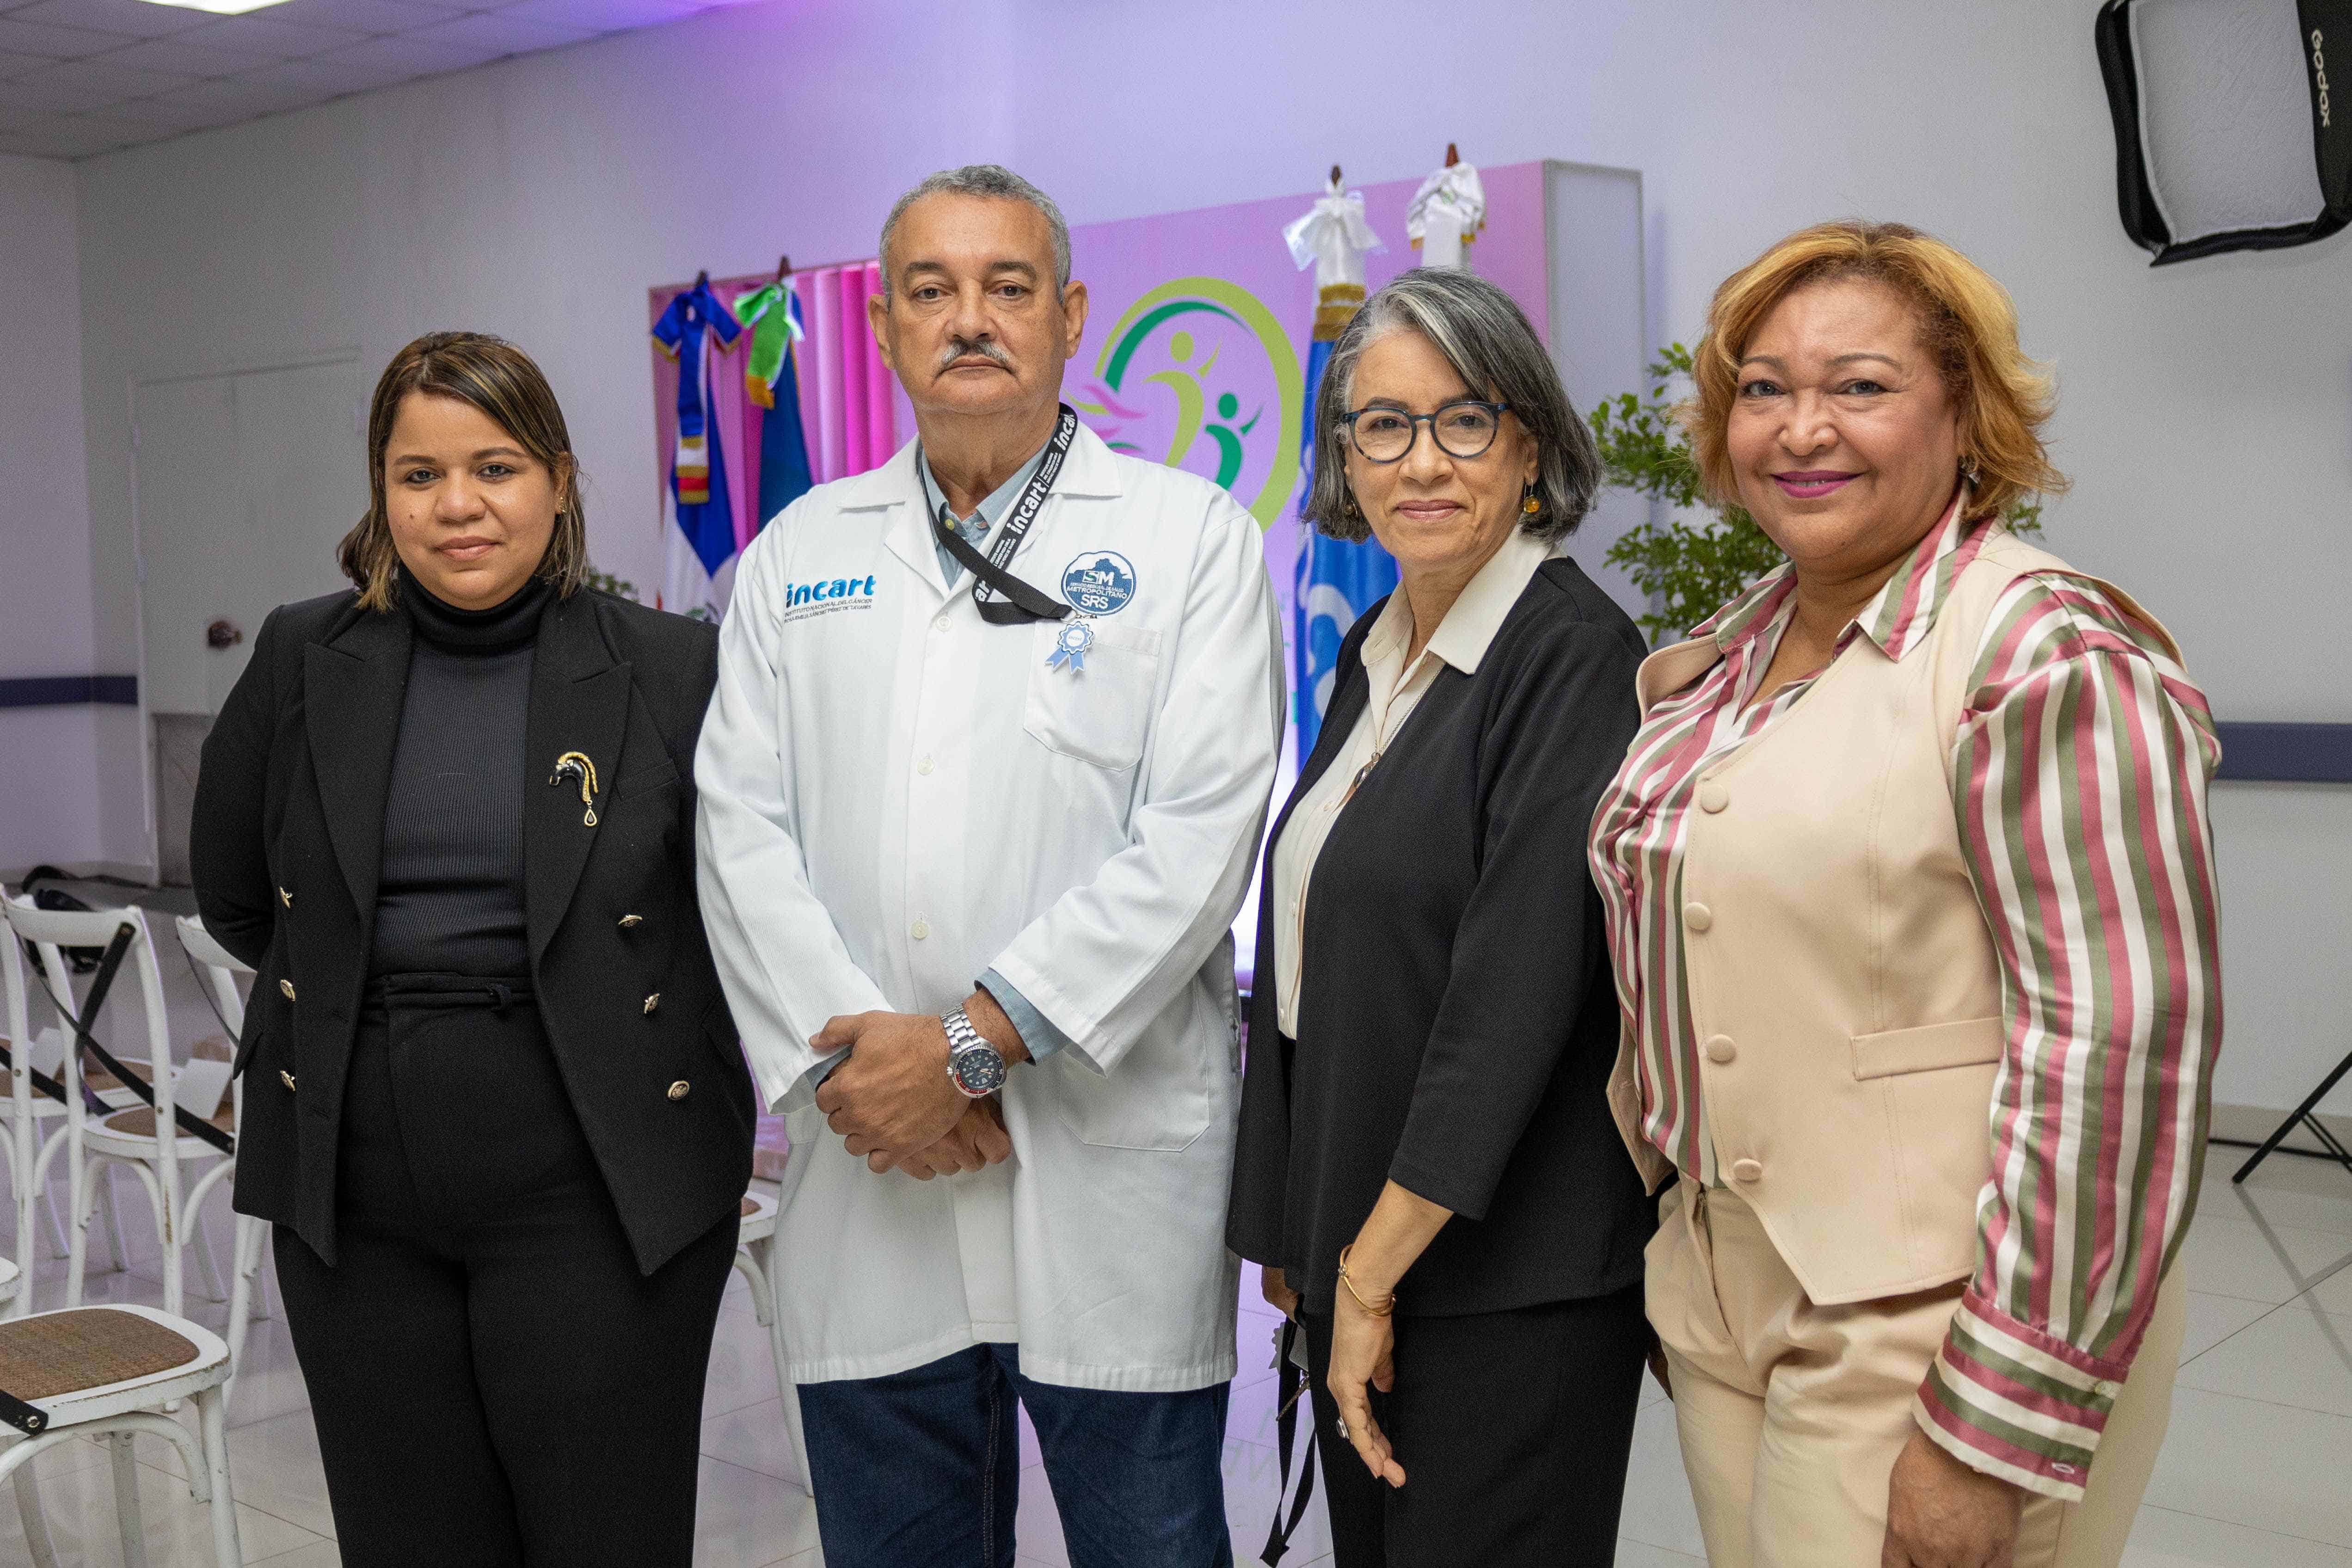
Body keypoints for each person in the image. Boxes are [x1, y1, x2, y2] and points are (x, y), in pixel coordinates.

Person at [1588, 221, 2221, 1568]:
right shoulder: (1731, 654)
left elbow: (2115, 1057)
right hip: (1726, 1286)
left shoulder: (2044, 652)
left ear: (1968, 416)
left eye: (1860, 387)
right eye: (1763, 388)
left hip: (1941, 1318)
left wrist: (1994, 1420)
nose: (1801, 428)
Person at [694, 165, 1282, 1568]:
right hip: (874, 1168)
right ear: (887, 327)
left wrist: (968, 1043)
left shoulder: (1188, 538)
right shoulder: (798, 556)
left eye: (1007, 287)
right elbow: (738, 829)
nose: (971, 319)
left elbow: (1199, 838)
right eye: (931, 290)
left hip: (1103, 1163)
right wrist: (866, 1074)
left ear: (1070, 316)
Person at [191, 332, 752, 1567]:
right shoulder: (303, 656)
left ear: (557, 480)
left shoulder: (671, 668)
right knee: (410, 1542)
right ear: (382, 493)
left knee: (602, 1535)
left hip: (599, 1186)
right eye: (417, 474)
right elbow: (237, 894)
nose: (456, 507)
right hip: (354, 1191)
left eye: (493, 468)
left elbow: (742, 912)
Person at [1226, 269, 1658, 1567]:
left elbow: (1506, 1007)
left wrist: (1366, 1275)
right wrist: (1303, 1238)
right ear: (1343, 458)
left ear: (1529, 443)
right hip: (1368, 1244)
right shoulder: (1374, 649)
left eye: (1463, 421)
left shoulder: (1570, 656)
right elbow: (1313, 965)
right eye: (1382, 426)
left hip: (1507, 1277)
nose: (1422, 461)